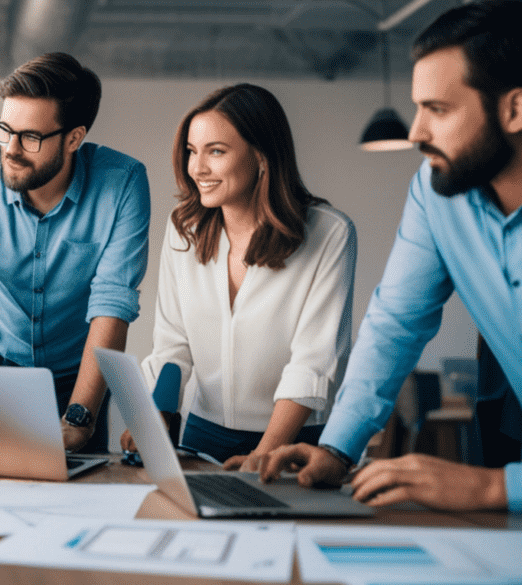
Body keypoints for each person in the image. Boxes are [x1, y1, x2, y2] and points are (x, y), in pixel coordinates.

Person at [258, 0, 522, 512]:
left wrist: (492, 486)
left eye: (438, 110)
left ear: (515, 109)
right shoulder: (436, 191)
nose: (416, 132)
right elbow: (396, 322)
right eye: (418, 107)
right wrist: (336, 448)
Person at [0, 52, 151, 454]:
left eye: (30, 138)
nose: (10, 149)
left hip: (79, 379)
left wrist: (80, 415)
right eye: (5, 130)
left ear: (74, 138)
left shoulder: (123, 184)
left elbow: (112, 304)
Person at [120, 84, 357, 470]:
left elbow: (312, 364)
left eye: (216, 151)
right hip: (202, 436)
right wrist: (157, 420)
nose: (197, 168)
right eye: (192, 152)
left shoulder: (330, 234)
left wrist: (266, 454)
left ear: (262, 156)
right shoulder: (185, 229)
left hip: (292, 442)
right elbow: (172, 346)